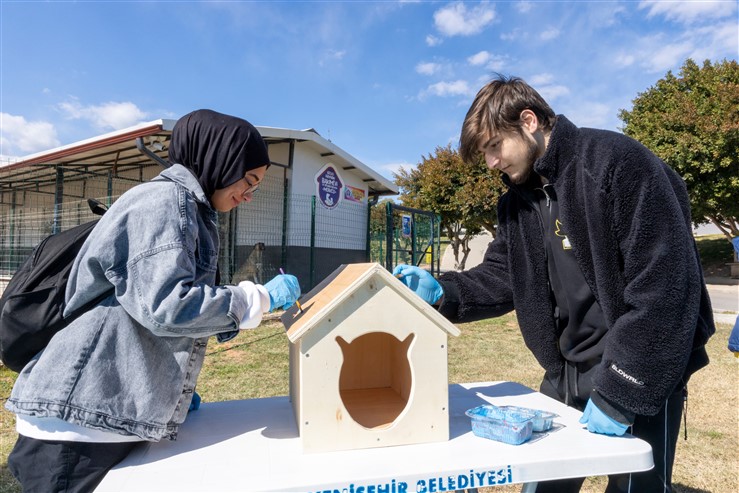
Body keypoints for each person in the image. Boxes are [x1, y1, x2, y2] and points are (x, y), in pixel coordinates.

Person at [395, 75, 715, 492]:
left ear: (528, 121)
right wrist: (445, 291)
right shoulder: (515, 202)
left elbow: (665, 286)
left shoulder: (617, 162)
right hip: (566, 373)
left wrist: (622, 388)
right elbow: (502, 275)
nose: (491, 163)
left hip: (642, 368)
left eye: (494, 146)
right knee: (544, 486)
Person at [5, 109, 301, 492]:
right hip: (78, 424)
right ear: (219, 159)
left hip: (101, 413)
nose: (249, 193)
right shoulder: (164, 202)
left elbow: (144, 308)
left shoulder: (190, 210)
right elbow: (166, 305)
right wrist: (253, 297)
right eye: (249, 179)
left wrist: (165, 387)